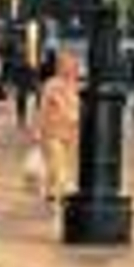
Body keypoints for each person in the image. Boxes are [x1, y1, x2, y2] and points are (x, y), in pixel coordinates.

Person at [36, 50, 81, 205]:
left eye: (73, 65)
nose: (70, 68)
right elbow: (42, 109)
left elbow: (79, 107)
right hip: (53, 131)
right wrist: (38, 130)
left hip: (72, 131)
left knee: (65, 163)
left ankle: (51, 190)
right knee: (57, 162)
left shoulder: (77, 85)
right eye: (66, 64)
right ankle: (62, 193)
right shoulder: (51, 85)